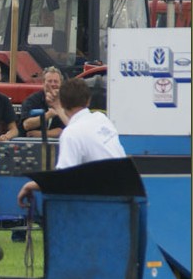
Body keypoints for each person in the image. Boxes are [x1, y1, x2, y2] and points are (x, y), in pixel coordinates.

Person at [17, 78, 126, 206]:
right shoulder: (101, 119)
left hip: (102, 201)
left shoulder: (71, 134)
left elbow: (63, 180)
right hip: (125, 195)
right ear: (88, 100)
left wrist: (30, 185)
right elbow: (78, 127)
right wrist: (58, 107)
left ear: (63, 103)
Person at [19, 66, 68, 138]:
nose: (53, 84)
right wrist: (48, 115)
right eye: (49, 81)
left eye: (56, 81)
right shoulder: (32, 100)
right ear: (43, 83)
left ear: (61, 83)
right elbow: (27, 125)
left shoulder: (67, 102)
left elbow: (64, 129)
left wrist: (41, 134)